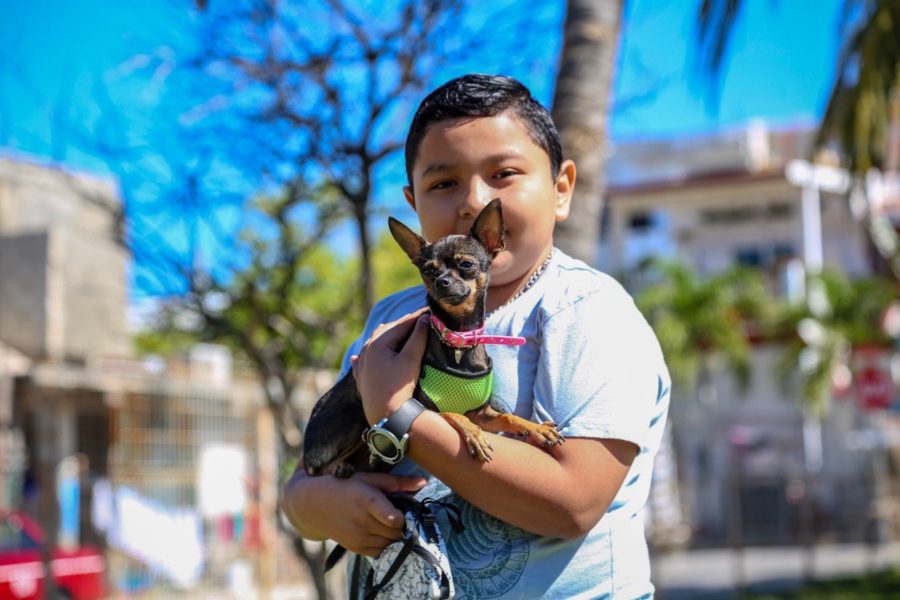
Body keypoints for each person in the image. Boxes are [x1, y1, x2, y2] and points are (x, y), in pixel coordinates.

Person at [282, 74, 670, 599]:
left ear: (561, 190)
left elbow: (574, 503)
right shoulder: (391, 319)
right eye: (443, 183)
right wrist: (316, 504)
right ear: (413, 203)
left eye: (504, 173)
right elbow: (303, 486)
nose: (472, 201)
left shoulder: (586, 313)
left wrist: (401, 415)